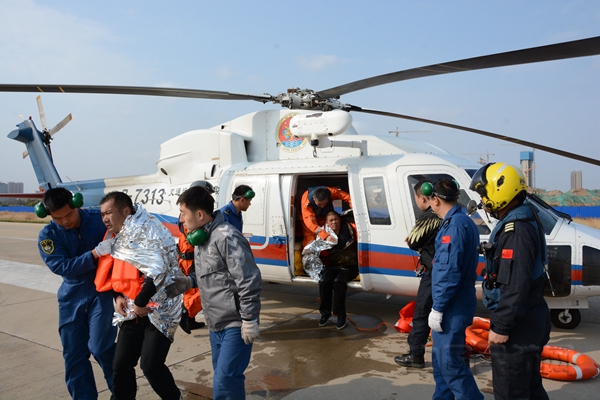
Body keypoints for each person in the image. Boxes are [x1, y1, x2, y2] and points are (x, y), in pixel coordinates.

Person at [169, 185, 262, 400]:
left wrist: (249, 319)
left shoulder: (226, 237)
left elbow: (248, 279)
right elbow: (216, 274)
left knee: (225, 381)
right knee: (224, 377)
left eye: (183, 213)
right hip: (215, 323)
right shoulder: (201, 239)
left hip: (235, 323)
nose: (181, 219)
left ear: (200, 215)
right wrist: (190, 281)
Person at [470, 162, 551, 399]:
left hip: (518, 328)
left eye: (484, 194)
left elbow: (516, 284)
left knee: (511, 392)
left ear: (499, 192)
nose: (483, 201)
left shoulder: (515, 232)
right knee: (530, 388)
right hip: (530, 318)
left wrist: (502, 326)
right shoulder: (525, 219)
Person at [95, 191, 183, 400]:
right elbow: (116, 273)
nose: (105, 218)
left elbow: (158, 271)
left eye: (109, 213)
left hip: (160, 308)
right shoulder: (116, 237)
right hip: (132, 310)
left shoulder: (149, 230)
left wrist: (142, 302)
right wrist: (118, 296)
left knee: (151, 365)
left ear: (126, 211)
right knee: (121, 365)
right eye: (102, 214)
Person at [36, 187, 116, 400]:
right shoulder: (48, 236)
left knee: (102, 348)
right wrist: (94, 254)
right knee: (74, 355)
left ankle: (122, 393)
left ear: (76, 205)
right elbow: (61, 266)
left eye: (69, 214)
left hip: (101, 293)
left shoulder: (99, 220)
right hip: (72, 297)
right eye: (58, 218)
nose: (65, 221)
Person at [426, 178, 483, 400]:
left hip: (453, 304)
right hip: (454, 301)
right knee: (441, 363)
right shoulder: (460, 221)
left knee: (450, 364)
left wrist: (438, 307)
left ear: (436, 200)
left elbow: (448, 271)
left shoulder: (455, 226)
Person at [394, 181, 442, 368]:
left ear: (422, 198)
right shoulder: (449, 215)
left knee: (422, 313)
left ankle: (415, 355)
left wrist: (414, 240)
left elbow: (413, 241)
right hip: (443, 270)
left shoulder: (429, 216)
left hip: (433, 272)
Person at [318, 211, 359, 330]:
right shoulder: (324, 233)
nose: (334, 222)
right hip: (333, 265)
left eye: (336, 219)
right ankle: (325, 313)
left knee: (338, 282)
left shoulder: (350, 229)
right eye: (331, 220)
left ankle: (340, 315)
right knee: (324, 281)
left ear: (340, 220)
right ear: (327, 223)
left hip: (350, 265)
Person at [176, 220, 206, 333]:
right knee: (205, 289)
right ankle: (186, 312)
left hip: (186, 258)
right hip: (192, 259)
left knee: (191, 290)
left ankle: (190, 319)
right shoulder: (191, 218)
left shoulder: (185, 216)